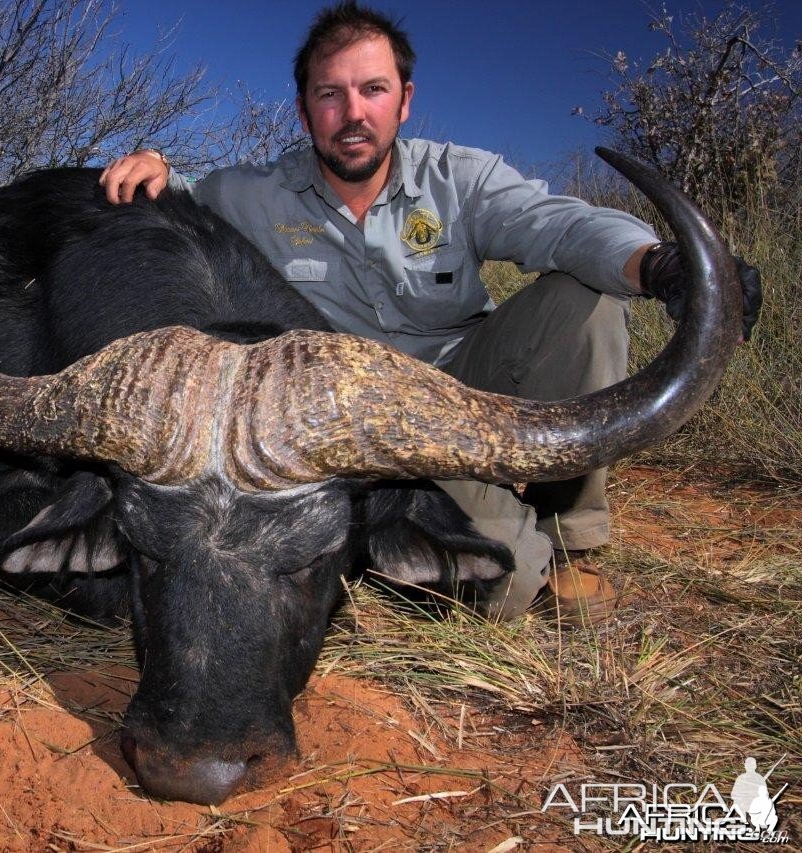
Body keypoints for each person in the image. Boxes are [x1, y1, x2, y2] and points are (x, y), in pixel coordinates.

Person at [98, 2, 761, 625]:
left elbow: (561, 227)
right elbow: (178, 192)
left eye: (373, 90)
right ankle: (513, 556)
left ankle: (573, 536)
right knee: (506, 587)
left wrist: (662, 264)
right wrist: (156, 163)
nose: (352, 113)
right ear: (304, 112)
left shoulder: (460, 176)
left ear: (405, 101)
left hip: (466, 388)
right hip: (359, 428)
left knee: (586, 301)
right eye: (329, 95)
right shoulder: (251, 193)